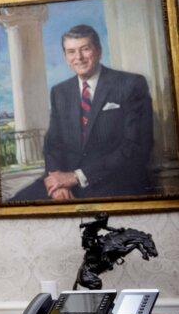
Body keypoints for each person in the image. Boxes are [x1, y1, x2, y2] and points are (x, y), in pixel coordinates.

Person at [11, 25, 153, 202]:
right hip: (66, 182)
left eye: (85, 49)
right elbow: (53, 144)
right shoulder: (60, 92)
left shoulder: (130, 84)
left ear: (99, 51)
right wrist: (57, 183)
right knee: (14, 204)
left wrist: (76, 177)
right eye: (71, 52)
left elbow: (135, 147)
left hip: (113, 181)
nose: (78, 58)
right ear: (65, 57)